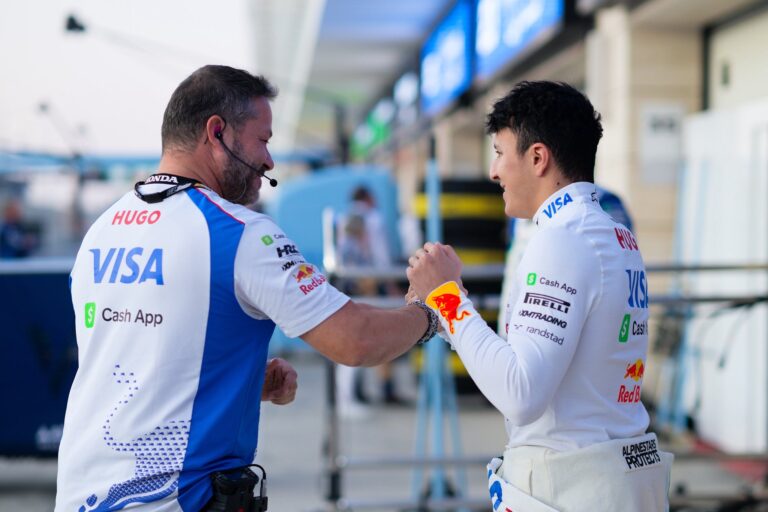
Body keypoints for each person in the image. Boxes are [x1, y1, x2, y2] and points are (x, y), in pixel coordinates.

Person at [55, 65, 438, 512]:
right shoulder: (240, 233)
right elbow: (357, 340)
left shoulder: (102, 231)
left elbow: (131, 362)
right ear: (216, 132)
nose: (269, 161)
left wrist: (238, 380)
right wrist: (433, 308)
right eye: (263, 139)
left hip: (80, 497)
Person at [406, 81, 672, 511]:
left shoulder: (562, 238)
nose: (493, 171)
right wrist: (448, 316)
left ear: (537, 157)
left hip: (571, 486)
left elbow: (521, 393)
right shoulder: (611, 232)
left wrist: (447, 299)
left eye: (499, 152)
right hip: (613, 478)